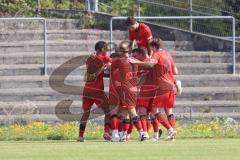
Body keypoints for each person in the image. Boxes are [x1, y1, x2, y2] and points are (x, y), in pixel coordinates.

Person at [110, 42, 156, 142]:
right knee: (125, 114)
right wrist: (139, 66)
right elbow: (151, 65)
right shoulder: (134, 60)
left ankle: (142, 133)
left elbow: (110, 70)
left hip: (125, 89)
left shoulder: (119, 61)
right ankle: (123, 136)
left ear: (120, 52)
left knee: (130, 112)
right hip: (133, 89)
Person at [77, 41, 111, 142]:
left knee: (86, 113)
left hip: (87, 89)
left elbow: (89, 74)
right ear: (102, 49)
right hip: (97, 90)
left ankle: (80, 136)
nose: (107, 51)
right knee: (108, 111)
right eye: (106, 48)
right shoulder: (104, 58)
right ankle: (106, 133)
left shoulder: (90, 59)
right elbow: (115, 63)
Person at [150, 38, 182, 140]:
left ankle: (170, 130)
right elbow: (175, 71)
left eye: (151, 47)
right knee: (169, 111)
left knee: (153, 110)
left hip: (161, 86)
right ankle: (172, 136)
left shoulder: (156, 54)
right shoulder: (167, 54)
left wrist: (136, 62)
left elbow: (150, 64)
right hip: (170, 85)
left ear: (154, 47)